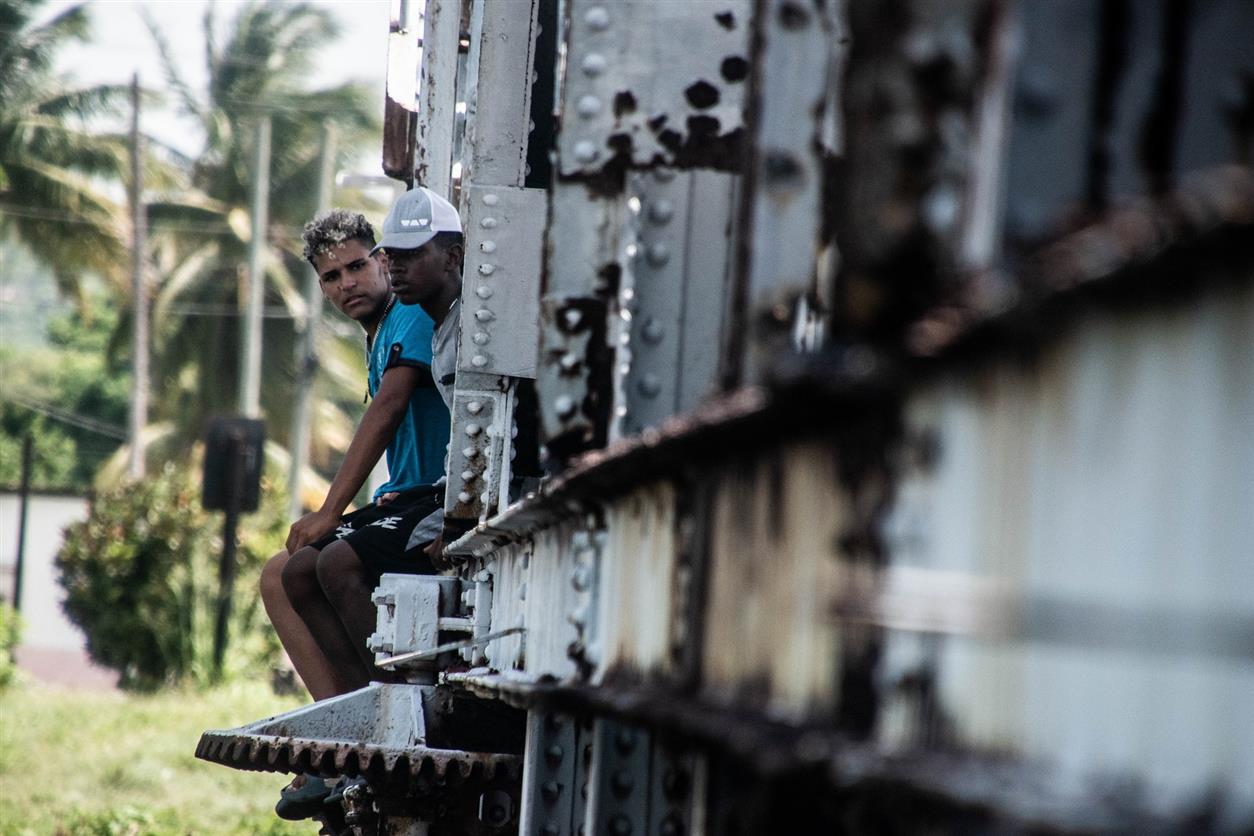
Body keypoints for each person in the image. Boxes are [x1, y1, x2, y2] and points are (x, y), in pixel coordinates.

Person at [259, 208, 456, 705]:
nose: (347, 282)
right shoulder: (377, 335)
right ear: (322, 288)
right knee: (283, 574)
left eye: (357, 266)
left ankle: (388, 711)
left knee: (329, 565)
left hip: (429, 495)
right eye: (331, 276)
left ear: (382, 261)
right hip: (398, 500)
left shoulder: (410, 315)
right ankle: (344, 717)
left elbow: (389, 407)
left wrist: (331, 510)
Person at [372, 186, 466, 559]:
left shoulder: (467, 333)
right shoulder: (438, 328)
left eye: (411, 255)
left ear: (452, 257)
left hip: (449, 501)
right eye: (391, 255)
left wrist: (455, 524)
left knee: (338, 564)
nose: (395, 266)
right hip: (437, 491)